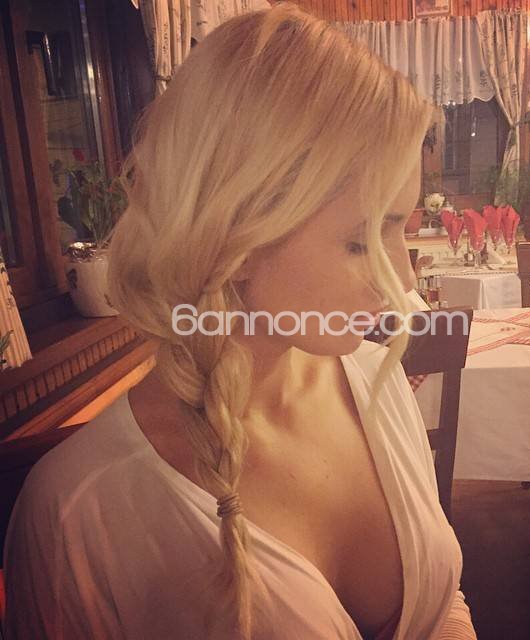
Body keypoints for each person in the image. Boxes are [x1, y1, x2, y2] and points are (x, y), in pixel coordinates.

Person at [3, 4, 476, 639]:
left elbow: (442, 604)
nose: (404, 280)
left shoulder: (377, 381)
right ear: (236, 234)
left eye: (403, 229)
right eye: (361, 240)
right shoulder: (81, 511)